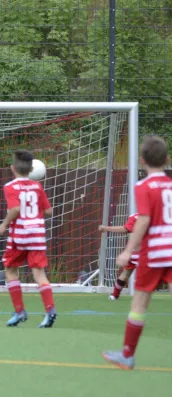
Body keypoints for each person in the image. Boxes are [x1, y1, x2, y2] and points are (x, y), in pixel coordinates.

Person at [102, 136, 172, 370]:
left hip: (154, 253)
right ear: (167, 160)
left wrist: (127, 251)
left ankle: (127, 355)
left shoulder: (143, 186)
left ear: (142, 161)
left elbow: (143, 220)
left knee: (140, 302)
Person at [0, 150, 56, 328]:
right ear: (31, 169)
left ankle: (20, 310)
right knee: (39, 273)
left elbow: (14, 209)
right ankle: (50, 310)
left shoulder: (10, 187)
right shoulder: (38, 187)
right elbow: (48, 211)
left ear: (12, 168)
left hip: (20, 235)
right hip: (37, 234)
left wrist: (3, 225)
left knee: (10, 268)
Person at [98, 214, 139, 300]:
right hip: (148, 252)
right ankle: (115, 294)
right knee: (126, 273)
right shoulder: (155, 215)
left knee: (126, 274)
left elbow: (125, 229)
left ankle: (114, 295)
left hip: (138, 251)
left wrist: (106, 228)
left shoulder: (135, 217)